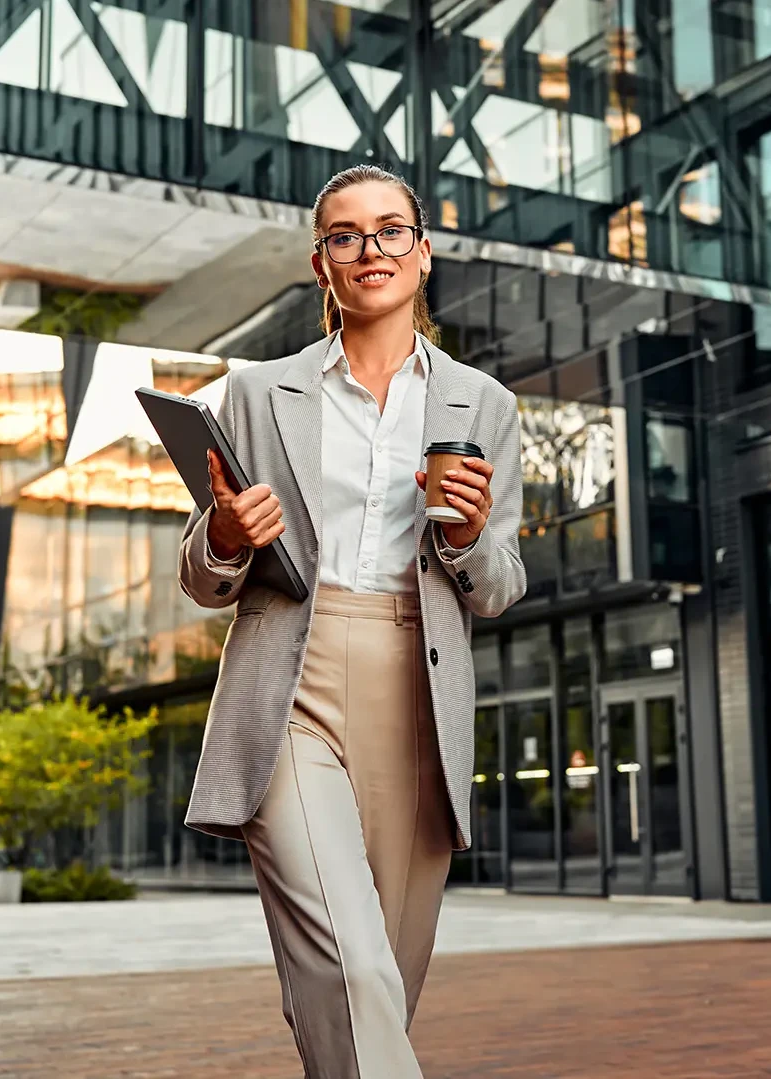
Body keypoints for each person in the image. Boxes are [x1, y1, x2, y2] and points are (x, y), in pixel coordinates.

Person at [176, 163, 526, 1078]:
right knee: (350, 957)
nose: (369, 249)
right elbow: (205, 579)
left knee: (380, 987)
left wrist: (470, 534)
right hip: (290, 678)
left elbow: (498, 586)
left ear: (424, 252)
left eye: (389, 230)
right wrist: (222, 532)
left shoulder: (485, 405)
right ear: (320, 262)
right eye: (345, 235)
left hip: (418, 689)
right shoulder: (256, 393)